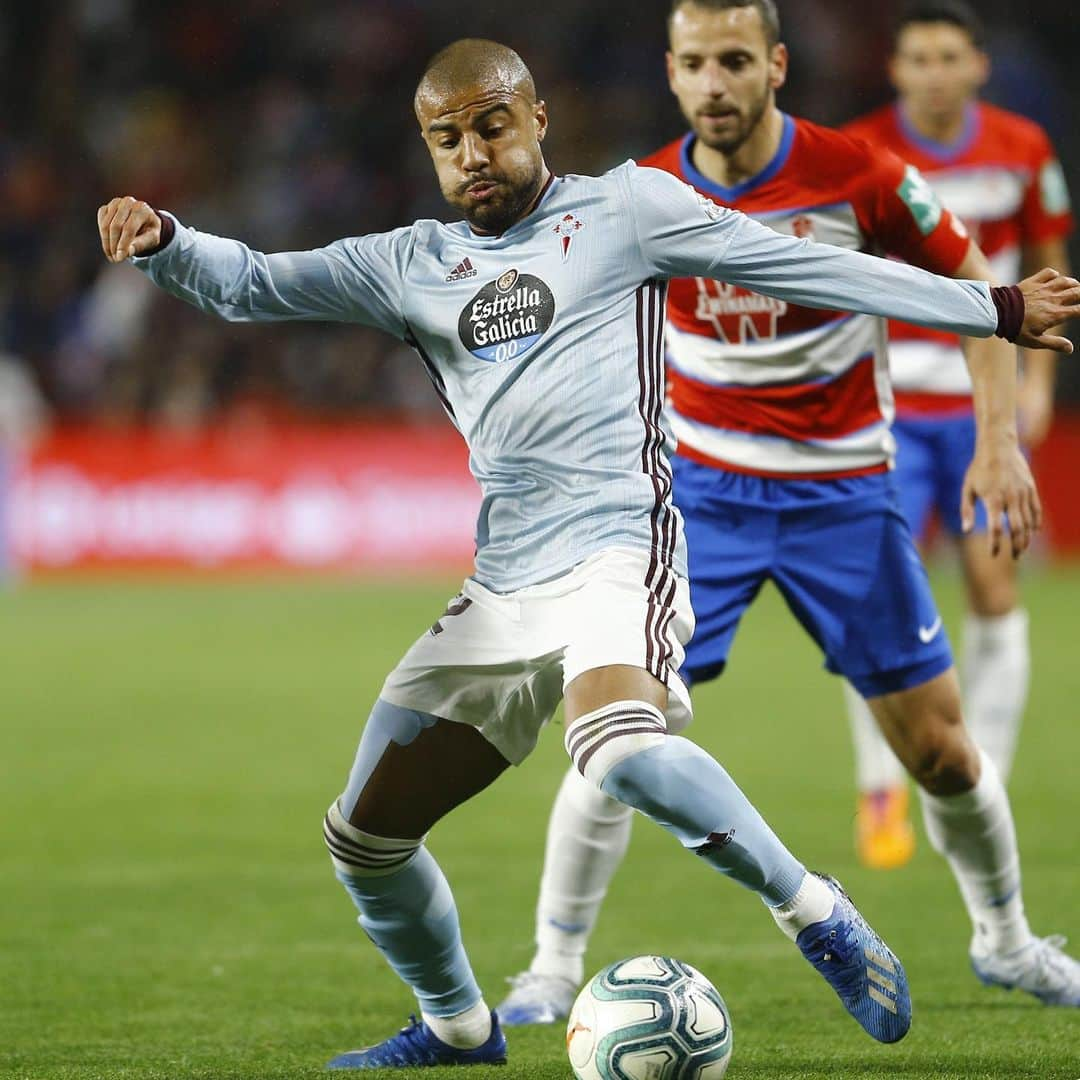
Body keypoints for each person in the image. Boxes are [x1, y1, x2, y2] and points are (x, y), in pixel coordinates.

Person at [99, 37, 1078, 1069]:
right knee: (364, 838)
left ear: (537, 120)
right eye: (448, 138)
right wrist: (165, 239)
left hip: (622, 543)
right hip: (504, 579)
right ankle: (458, 1027)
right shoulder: (409, 265)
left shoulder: (626, 212)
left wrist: (994, 308)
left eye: (491, 125)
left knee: (613, 747)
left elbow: (802, 263)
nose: (473, 153)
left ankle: (812, 907)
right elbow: (255, 283)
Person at [493, 0, 1080, 1029]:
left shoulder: (861, 176)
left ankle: (1009, 943)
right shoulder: (639, 197)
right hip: (699, 504)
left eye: (732, 60)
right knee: (619, 726)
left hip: (846, 498)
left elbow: (980, 291)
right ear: (671, 76)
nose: (713, 83)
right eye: (693, 64)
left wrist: (997, 443)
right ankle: (550, 966)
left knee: (942, 751)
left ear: (775, 65)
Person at [839, 0, 1074, 871]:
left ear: (978, 65)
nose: (935, 71)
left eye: (950, 55)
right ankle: (880, 789)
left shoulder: (1024, 148)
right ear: (897, 70)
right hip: (888, 411)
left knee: (994, 588)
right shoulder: (860, 154)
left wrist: (1038, 383)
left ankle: (987, 784)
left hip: (986, 409)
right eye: (919, 58)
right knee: (881, 602)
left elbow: (1048, 251)